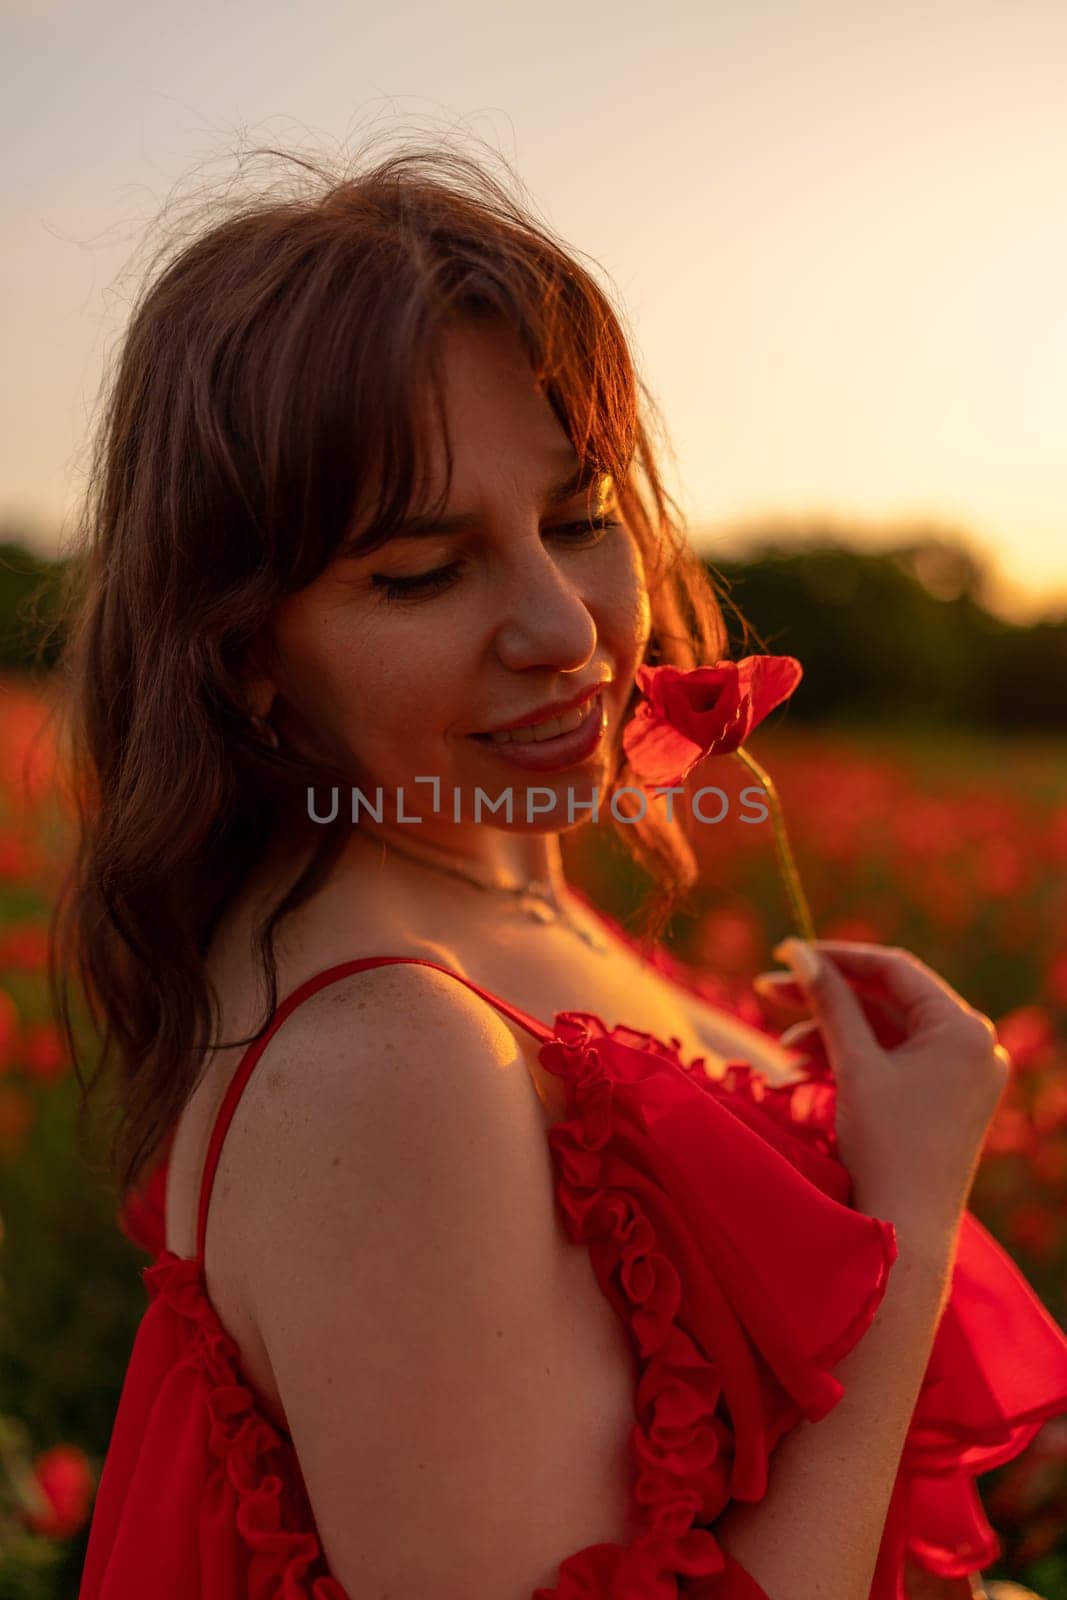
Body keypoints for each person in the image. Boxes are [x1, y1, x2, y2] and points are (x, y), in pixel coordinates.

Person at [53, 142, 1066, 1600]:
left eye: (580, 520)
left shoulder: (506, 886)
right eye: (422, 571)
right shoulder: (380, 1062)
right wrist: (909, 1207)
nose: (565, 628)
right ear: (247, 656)